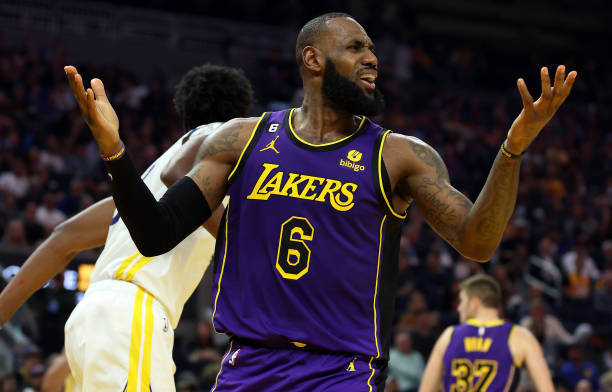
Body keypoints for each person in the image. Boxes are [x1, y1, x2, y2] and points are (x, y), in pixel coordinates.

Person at [66, 12, 576, 391]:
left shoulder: (399, 155)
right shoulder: (243, 140)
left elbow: (478, 241)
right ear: (313, 59)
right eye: (356, 47)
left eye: (372, 49)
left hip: (341, 372)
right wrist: (114, 151)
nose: (372, 58)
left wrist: (512, 150)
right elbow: (154, 234)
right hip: (248, 367)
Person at [0, 64, 253, 391]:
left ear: (183, 117)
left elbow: (64, 238)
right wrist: (247, 247)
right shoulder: (221, 140)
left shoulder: (147, 178)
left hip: (90, 318)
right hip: (131, 314)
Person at [418, 274, 554, 392]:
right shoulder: (519, 336)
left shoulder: (449, 335)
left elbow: (426, 389)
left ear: (475, 303)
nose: (459, 308)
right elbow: (546, 389)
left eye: (462, 301)